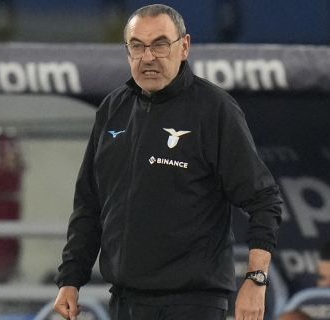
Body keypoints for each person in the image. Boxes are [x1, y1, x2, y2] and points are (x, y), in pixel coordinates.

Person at [53, 4, 282, 320]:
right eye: (137, 46)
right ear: (128, 52)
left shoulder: (214, 109)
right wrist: (70, 279)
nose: (148, 57)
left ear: (184, 46)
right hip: (124, 301)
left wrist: (256, 280)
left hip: (192, 304)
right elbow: (89, 205)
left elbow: (264, 201)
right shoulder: (113, 108)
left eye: (160, 44)